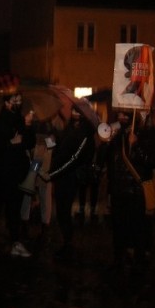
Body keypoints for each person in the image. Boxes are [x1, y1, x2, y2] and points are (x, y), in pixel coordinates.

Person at [0, 89, 36, 258]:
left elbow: (29, 142)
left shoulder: (22, 121)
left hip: (15, 174)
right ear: (6, 102)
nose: (18, 103)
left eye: (20, 100)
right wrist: (11, 143)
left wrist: (27, 127)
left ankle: (15, 242)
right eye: (15, 100)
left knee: (14, 210)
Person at [42, 107, 95, 260]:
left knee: (64, 211)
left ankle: (68, 243)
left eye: (78, 112)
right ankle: (66, 242)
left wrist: (52, 174)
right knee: (61, 212)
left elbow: (74, 159)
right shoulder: (69, 129)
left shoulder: (85, 135)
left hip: (71, 177)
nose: (75, 114)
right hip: (60, 176)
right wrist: (52, 139)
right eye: (73, 111)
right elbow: (60, 150)